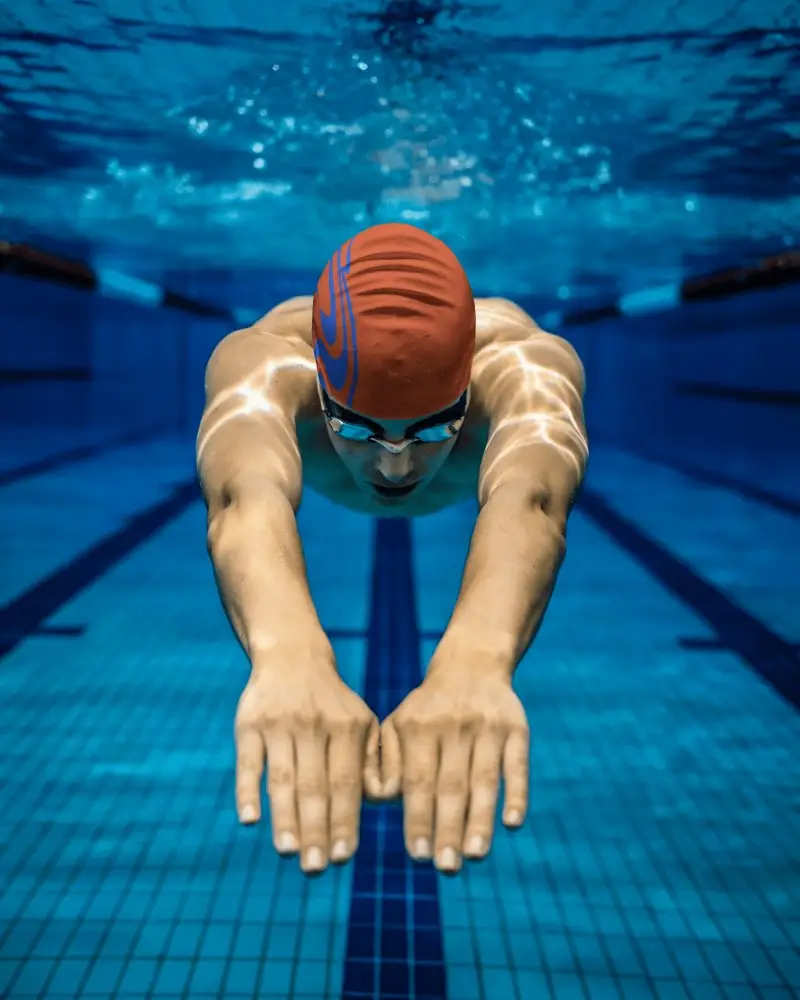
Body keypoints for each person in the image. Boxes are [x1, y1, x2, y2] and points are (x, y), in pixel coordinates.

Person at [196, 222, 588, 875]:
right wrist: (289, 656)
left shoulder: (526, 368)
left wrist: (476, 662)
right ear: (320, 386)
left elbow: (533, 498)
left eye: (434, 431)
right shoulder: (264, 364)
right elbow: (244, 495)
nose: (395, 467)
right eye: (356, 429)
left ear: (469, 388)